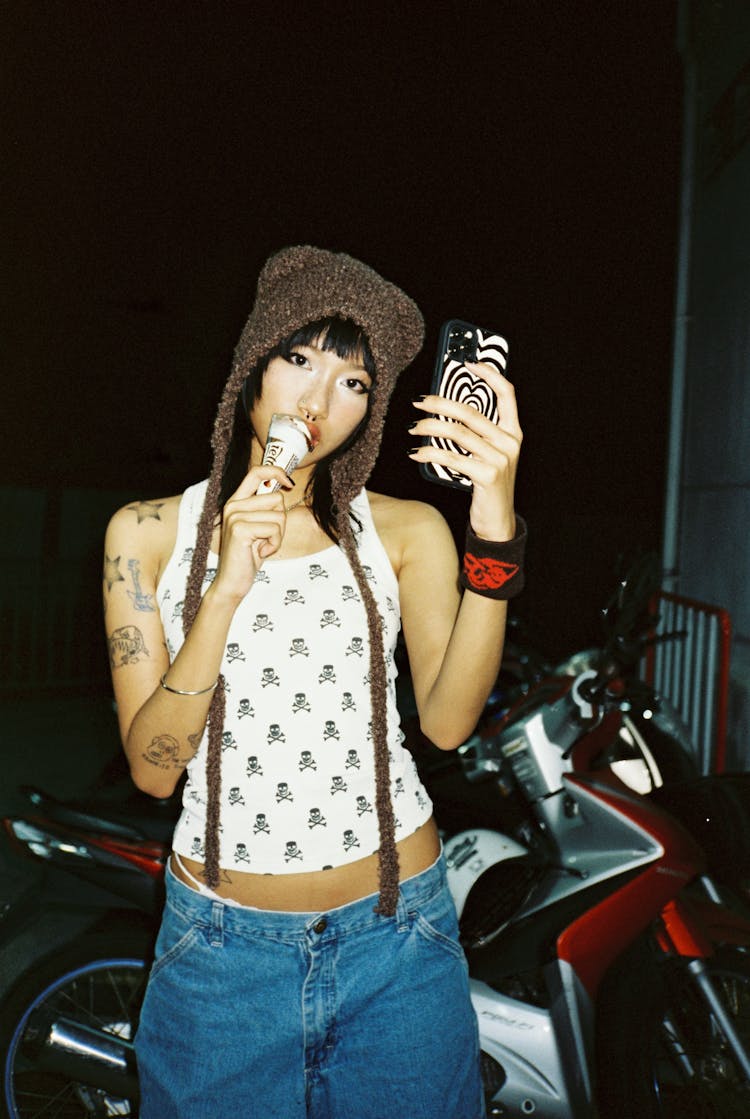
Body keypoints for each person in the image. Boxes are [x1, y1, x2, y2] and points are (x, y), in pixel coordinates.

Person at [103, 245, 524, 1119]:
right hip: (221, 956)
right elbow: (153, 767)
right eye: (299, 358)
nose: (315, 398)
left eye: (354, 381)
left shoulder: (405, 530)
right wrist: (224, 587)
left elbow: (447, 723)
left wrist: (494, 517)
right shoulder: (147, 533)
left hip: (398, 941)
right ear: (252, 369)